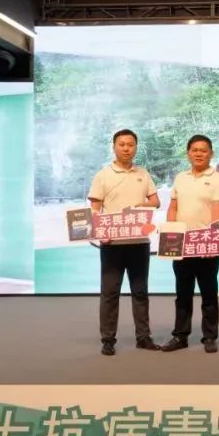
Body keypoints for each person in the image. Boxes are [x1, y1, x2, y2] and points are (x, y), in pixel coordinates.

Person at [87, 129, 161, 356]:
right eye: (122, 144)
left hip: (139, 241)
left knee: (140, 292)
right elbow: (95, 209)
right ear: (114, 147)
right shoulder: (103, 175)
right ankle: (108, 339)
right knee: (110, 293)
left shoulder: (143, 173)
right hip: (112, 244)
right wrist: (99, 231)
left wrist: (139, 207)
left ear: (136, 147)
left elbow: (155, 201)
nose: (126, 148)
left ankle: (143, 337)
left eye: (131, 144)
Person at [161, 135, 219, 354]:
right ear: (188, 153)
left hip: (206, 244)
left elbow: (218, 210)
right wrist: (170, 233)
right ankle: (180, 336)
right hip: (182, 244)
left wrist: (213, 242)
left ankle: (209, 337)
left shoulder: (218, 178)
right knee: (183, 293)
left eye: (203, 150)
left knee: (209, 293)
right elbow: (173, 207)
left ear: (211, 153)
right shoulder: (181, 178)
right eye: (194, 150)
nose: (199, 153)